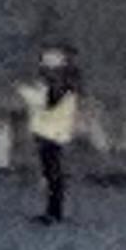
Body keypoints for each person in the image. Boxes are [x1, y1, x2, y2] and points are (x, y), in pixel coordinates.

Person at [28, 34, 85, 225]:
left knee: (53, 172)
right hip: (50, 130)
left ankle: (54, 212)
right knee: (51, 172)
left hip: (53, 131)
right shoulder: (67, 81)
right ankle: (53, 210)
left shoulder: (66, 83)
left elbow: (53, 103)